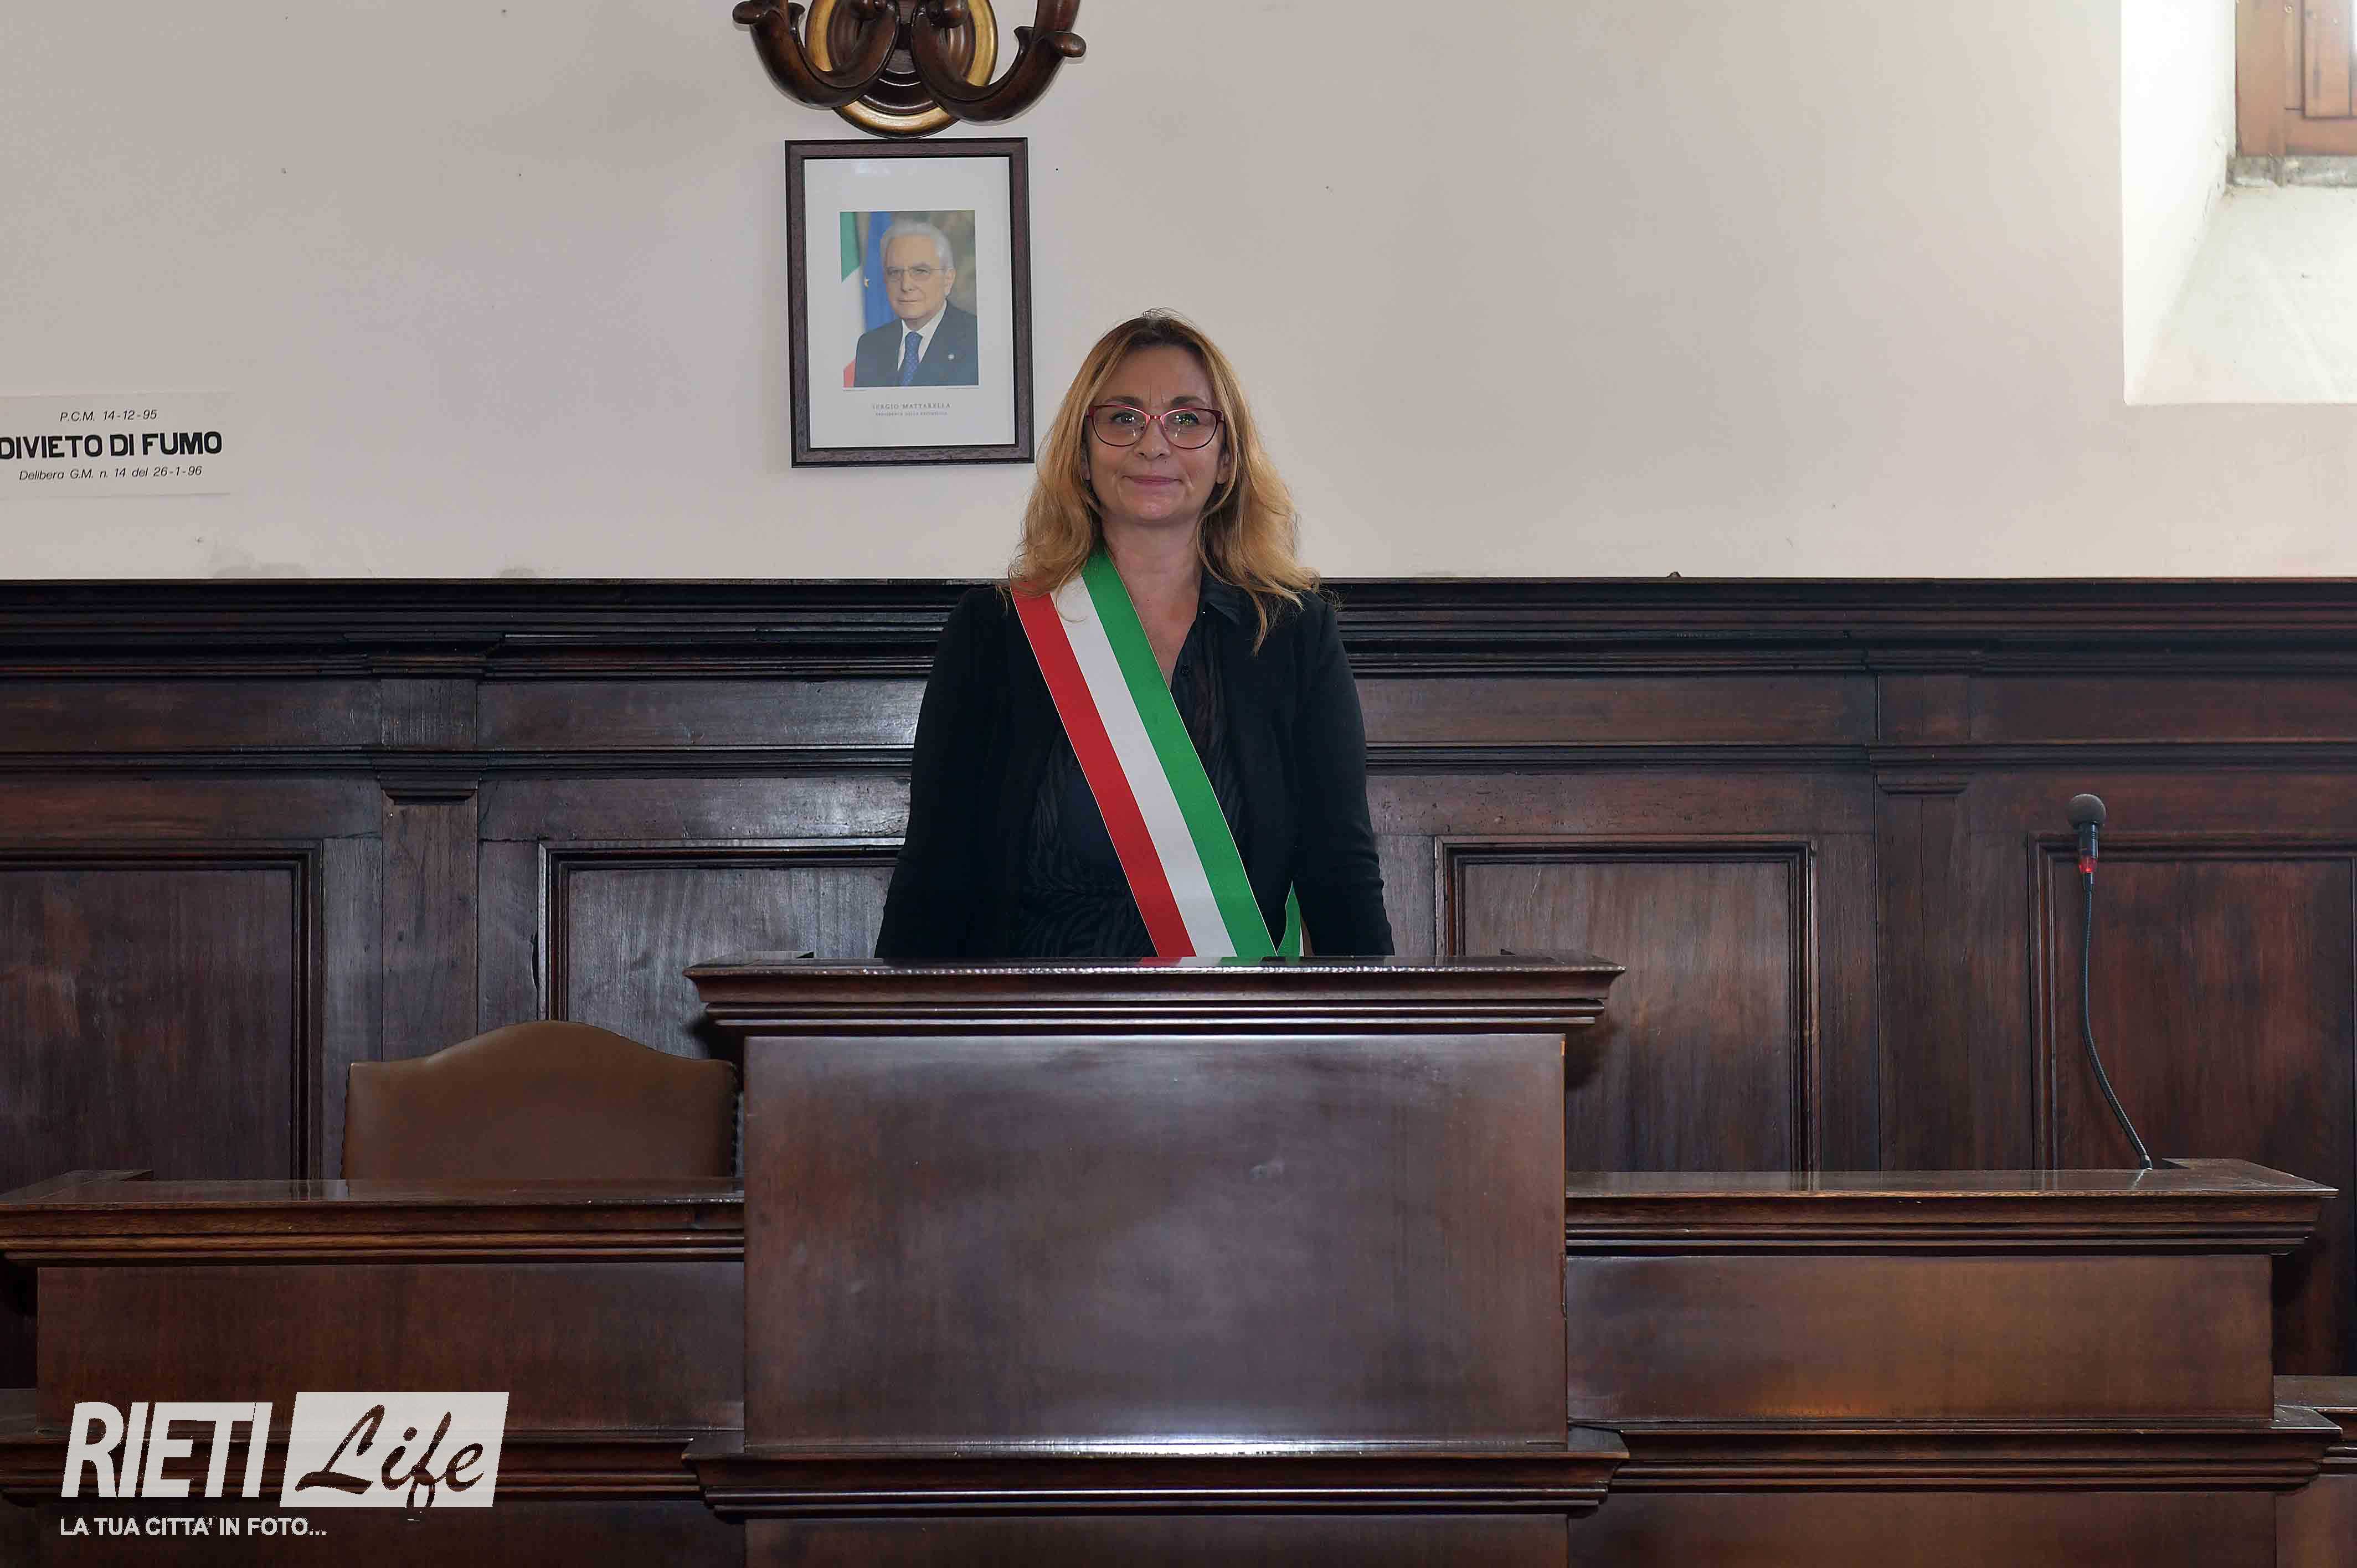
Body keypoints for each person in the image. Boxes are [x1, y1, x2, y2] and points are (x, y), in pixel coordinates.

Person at [876, 311, 1393, 959]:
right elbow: (936, 868)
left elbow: (1340, 870)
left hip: (1233, 1018)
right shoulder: (993, 631)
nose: (1153, 444)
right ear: (1082, 456)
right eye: (1122, 418)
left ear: (1226, 458)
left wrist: (1385, 1018)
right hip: (1032, 1015)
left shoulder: (1292, 634)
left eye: (1187, 419)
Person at [852, 220, 980, 388]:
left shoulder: (978, 339)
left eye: (920, 271)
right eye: (895, 272)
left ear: (948, 279)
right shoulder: (870, 346)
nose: (906, 286)